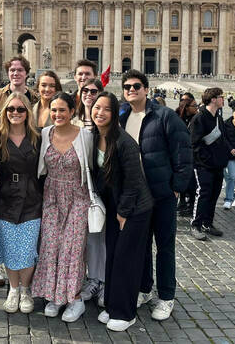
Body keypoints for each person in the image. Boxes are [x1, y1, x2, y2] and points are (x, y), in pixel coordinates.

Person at [119, 69, 192, 321]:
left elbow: (183, 151)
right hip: (136, 194)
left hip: (161, 193)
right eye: (127, 86)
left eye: (137, 86)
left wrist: (177, 186)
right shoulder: (122, 116)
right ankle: (145, 289)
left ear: (147, 89)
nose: (131, 90)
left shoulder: (166, 116)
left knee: (164, 246)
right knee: (141, 246)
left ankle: (167, 296)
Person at [92, 92, 153, 332]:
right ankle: (112, 304)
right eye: (97, 107)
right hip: (114, 206)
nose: (100, 112)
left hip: (134, 209)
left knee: (126, 260)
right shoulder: (97, 137)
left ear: (115, 112)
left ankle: (126, 312)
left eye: (107, 109)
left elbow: (134, 181)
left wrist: (124, 212)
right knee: (113, 257)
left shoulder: (125, 141)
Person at [32, 92, 92, 323]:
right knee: (50, 245)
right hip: (51, 196)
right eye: (54, 110)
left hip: (78, 195)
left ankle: (75, 298)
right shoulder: (45, 134)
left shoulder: (85, 136)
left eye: (62, 110)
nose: (57, 114)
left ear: (72, 111)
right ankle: (55, 295)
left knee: (73, 249)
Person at [0, 55, 37, 286]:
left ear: (26, 72)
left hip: (26, 173)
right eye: (12, 70)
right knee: (1, 223)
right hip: (2, 170)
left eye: (20, 70)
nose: (16, 74)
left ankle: (22, 281)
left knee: (26, 230)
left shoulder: (35, 97)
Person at [0, 93, 41, 314]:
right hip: (5, 198)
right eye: (11, 109)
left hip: (32, 198)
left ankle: (26, 288)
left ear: (28, 112)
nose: (15, 113)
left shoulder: (38, 137)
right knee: (10, 247)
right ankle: (14, 289)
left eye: (20, 109)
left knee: (28, 248)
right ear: (5, 112)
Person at [71, 77, 105, 307]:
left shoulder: (108, 121)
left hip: (100, 186)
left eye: (94, 91)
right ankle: (79, 279)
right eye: (85, 90)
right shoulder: (72, 120)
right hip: (75, 187)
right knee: (77, 237)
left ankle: (98, 279)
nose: (89, 94)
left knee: (97, 236)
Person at [190, 88, 231, 240]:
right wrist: (205, 159)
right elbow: (194, 144)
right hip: (204, 165)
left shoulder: (219, 118)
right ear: (213, 99)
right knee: (203, 194)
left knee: (214, 194)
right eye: (221, 96)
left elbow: (223, 139)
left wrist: (224, 156)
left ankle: (207, 223)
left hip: (218, 164)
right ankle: (196, 224)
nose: (223, 99)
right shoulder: (199, 118)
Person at [175, 97, 198, 216]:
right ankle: (182, 202)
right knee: (183, 179)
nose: (197, 108)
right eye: (195, 106)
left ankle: (191, 205)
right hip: (180, 154)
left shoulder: (196, 118)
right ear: (187, 108)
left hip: (193, 155)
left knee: (193, 182)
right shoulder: (176, 118)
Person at [223, 106, 235, 209]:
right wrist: (230, 149)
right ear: (233, 113)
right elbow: (224, 139)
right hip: (231, 155)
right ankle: (228, 199)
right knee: (232, 177)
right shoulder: (226, 124)